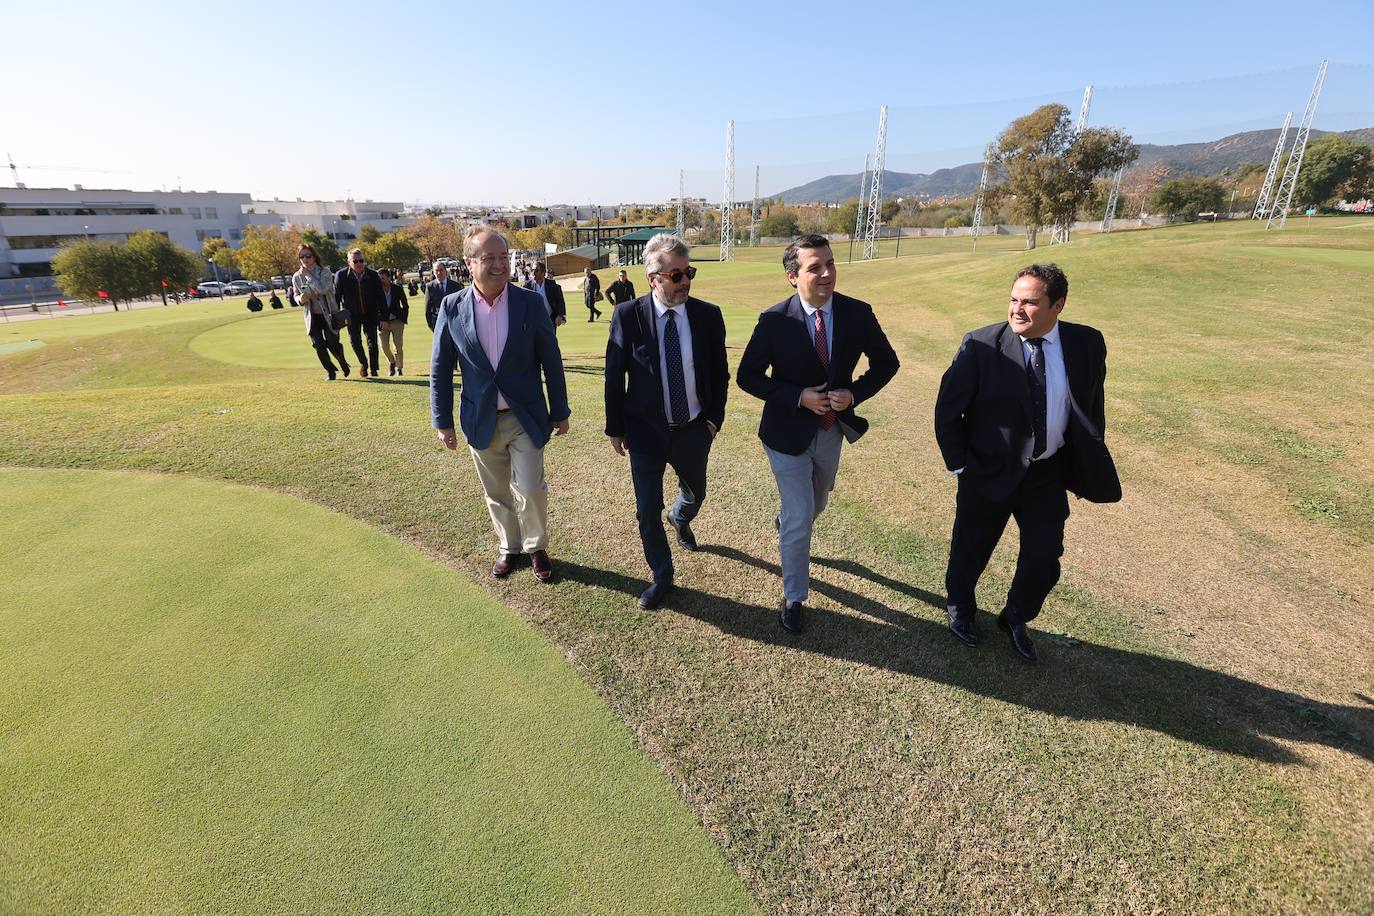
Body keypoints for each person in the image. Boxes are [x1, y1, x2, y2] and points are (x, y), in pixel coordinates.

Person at [934, 263, 1120, 663]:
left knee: (1044, 556)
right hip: (987, 471)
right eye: (1014, 299)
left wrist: (1082, 464)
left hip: (1046, 473)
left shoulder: (1087, 344)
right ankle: (960, 608)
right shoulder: (981, 345)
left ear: (1058, 306)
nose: (1017, 309)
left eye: (1030, 302)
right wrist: (961, 466)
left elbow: (1091, 405)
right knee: (970, 549)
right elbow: (948, 411)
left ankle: (1016, 617)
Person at [736, 234, 900, 633]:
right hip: (784, 435)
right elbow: (747, 377)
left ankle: (790, 525)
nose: (826, 273)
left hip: (831, 433)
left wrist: (854, 393)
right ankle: (794, 597)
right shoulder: (774, 320)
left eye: (830, 264)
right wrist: (797, 397)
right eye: (815, 267)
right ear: (793, 277)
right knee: (799, 515)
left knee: (816, 504)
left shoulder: (858, 313)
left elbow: (887, 362)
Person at [431, 226, 571, 584]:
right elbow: (441, 367)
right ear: (469, 263)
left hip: (525, 416)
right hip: (480, 418)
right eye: (488, 257)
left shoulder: (530, 302)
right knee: (495, 492)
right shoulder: (451, 306)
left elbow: (550, 360)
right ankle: (509, 547)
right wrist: (442, 420)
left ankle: (536, 546)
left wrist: (560, 411)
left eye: (503, 257)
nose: (499, 265)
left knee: (530, 488)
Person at [605, 234, 728, 610]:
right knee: (646, 509)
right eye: (676, 275)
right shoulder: (628, 315)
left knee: (696, 494)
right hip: (645, 432)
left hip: (693, 429)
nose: (685, 281)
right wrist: (615, 427)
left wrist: (713, 422)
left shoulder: (708, 315)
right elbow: (614, 376)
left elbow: (720, 374)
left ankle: (681, 517)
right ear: (653, 278)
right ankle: (662, 574)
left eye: (688, 272)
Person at [291, 244, 351, 381]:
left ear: (314, 257)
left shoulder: (324, 272)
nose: (305, 259)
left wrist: (308, 277)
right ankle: (330, 371)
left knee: (332, 342)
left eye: (308, 256)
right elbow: (295, 295)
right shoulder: (296, 277)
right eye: (302, 256)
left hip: (329, 315)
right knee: (318, 345)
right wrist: (300, 298)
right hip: (311, 317)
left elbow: (323, 288)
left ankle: (342, 362)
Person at [334, 247, 386, 378]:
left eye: (361, 260)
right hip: (351, 315)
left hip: (370, 313)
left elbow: (381, 297)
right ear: (349, 262)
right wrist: (336, 316)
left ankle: (374, 369)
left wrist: (384, 318)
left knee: (372, 342)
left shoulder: (373, 275)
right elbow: (337, 297)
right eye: (355, 261)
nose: (359, 264)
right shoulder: (341, 275)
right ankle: (364, 363)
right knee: (355, 341)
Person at [378, 268, 410, 376]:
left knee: (398, 346)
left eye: (383, 278)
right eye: (379, 279)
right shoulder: (376, 290)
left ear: (388, 278)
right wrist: (380, 321)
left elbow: (405, 304)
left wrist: (403, 318)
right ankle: (392, 362)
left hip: (396, 321)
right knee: (384, 347)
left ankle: (399, 368)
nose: (381, 281)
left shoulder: (397, 289)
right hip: (382, 322)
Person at [524, 261, 567, 330]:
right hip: (533, 322)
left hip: (550, 321)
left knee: (550, 340)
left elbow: (560, 301)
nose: (533, 273)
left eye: (536, 271)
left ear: (543, 273)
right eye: (532, 270)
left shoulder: (552, 285)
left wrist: (560, 315)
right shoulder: (527, 286)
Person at [425, 259, 463, 331]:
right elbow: (427, 308)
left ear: (445, 270)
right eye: (436, 270)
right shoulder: (430, 287)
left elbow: (461, 305)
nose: (439, 273)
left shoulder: (456, 286)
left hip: (453, 321)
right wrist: (430, 325)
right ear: (433, 272)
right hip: (437, 322)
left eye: (441, 270)